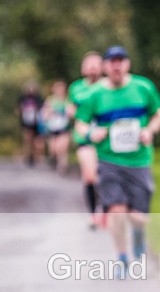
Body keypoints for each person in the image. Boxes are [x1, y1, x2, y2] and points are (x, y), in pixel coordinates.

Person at [74, 46, 160, 278]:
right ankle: (122, 257)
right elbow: (80, 123)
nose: (116, 65)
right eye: (111, 61)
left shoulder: (143, 87)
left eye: (120, 61)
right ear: (105, 66)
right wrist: (90, 134)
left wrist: (150, 130)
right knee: (116, 210)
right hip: (108, 160)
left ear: (127, 64)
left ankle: (137, 235)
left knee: (138, 217)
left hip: (139, 161)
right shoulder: (94, 94)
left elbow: (159, 113)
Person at [68, 51, 104, 229]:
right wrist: (80, 115)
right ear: (83, 68)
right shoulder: (76, 88)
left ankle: (103, 210)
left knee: (104, 176)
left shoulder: (107, 86)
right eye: (89, 64)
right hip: (84, 138)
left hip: (105, 140)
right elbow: (71, 109)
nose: (92, 68)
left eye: (96, 64)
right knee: (90, 177)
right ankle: (93, 214)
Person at [42, 80, 72, 174]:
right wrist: (49, 113)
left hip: (64, 128)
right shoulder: (50, 100)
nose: (59, 90)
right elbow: (44, 114)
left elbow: (72, 113)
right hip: (52, 128)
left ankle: (63, 166)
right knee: (54, 149)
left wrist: (68, 112)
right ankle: (53, 159)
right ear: (53, 89)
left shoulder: (67, 100)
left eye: (61, 88)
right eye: (57, 88)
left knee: (62, 148)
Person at [17, 80, 45, 166]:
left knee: (37, 141)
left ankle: (37, 157)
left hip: (37, 122)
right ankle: (28, 156)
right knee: (27, 139)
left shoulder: (38, 98)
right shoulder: (22, 98)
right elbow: (18, 109)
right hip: (26, 122)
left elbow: (42, 109)